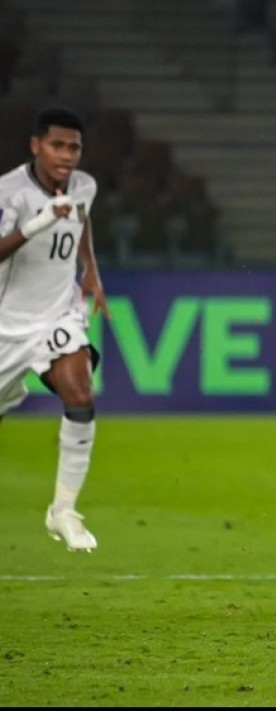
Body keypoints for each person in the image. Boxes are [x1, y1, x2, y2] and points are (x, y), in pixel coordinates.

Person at [0, 106, 109, 552]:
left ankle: (63, 510)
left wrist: (90, 272)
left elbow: (79, 218)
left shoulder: (84, 185)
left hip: (57, 314)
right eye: (57, 145)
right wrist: (40, 220)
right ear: (36, 146)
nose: (67, 155)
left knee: (80, 393)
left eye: (74, 147)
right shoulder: (10, 192)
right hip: (6, 326)